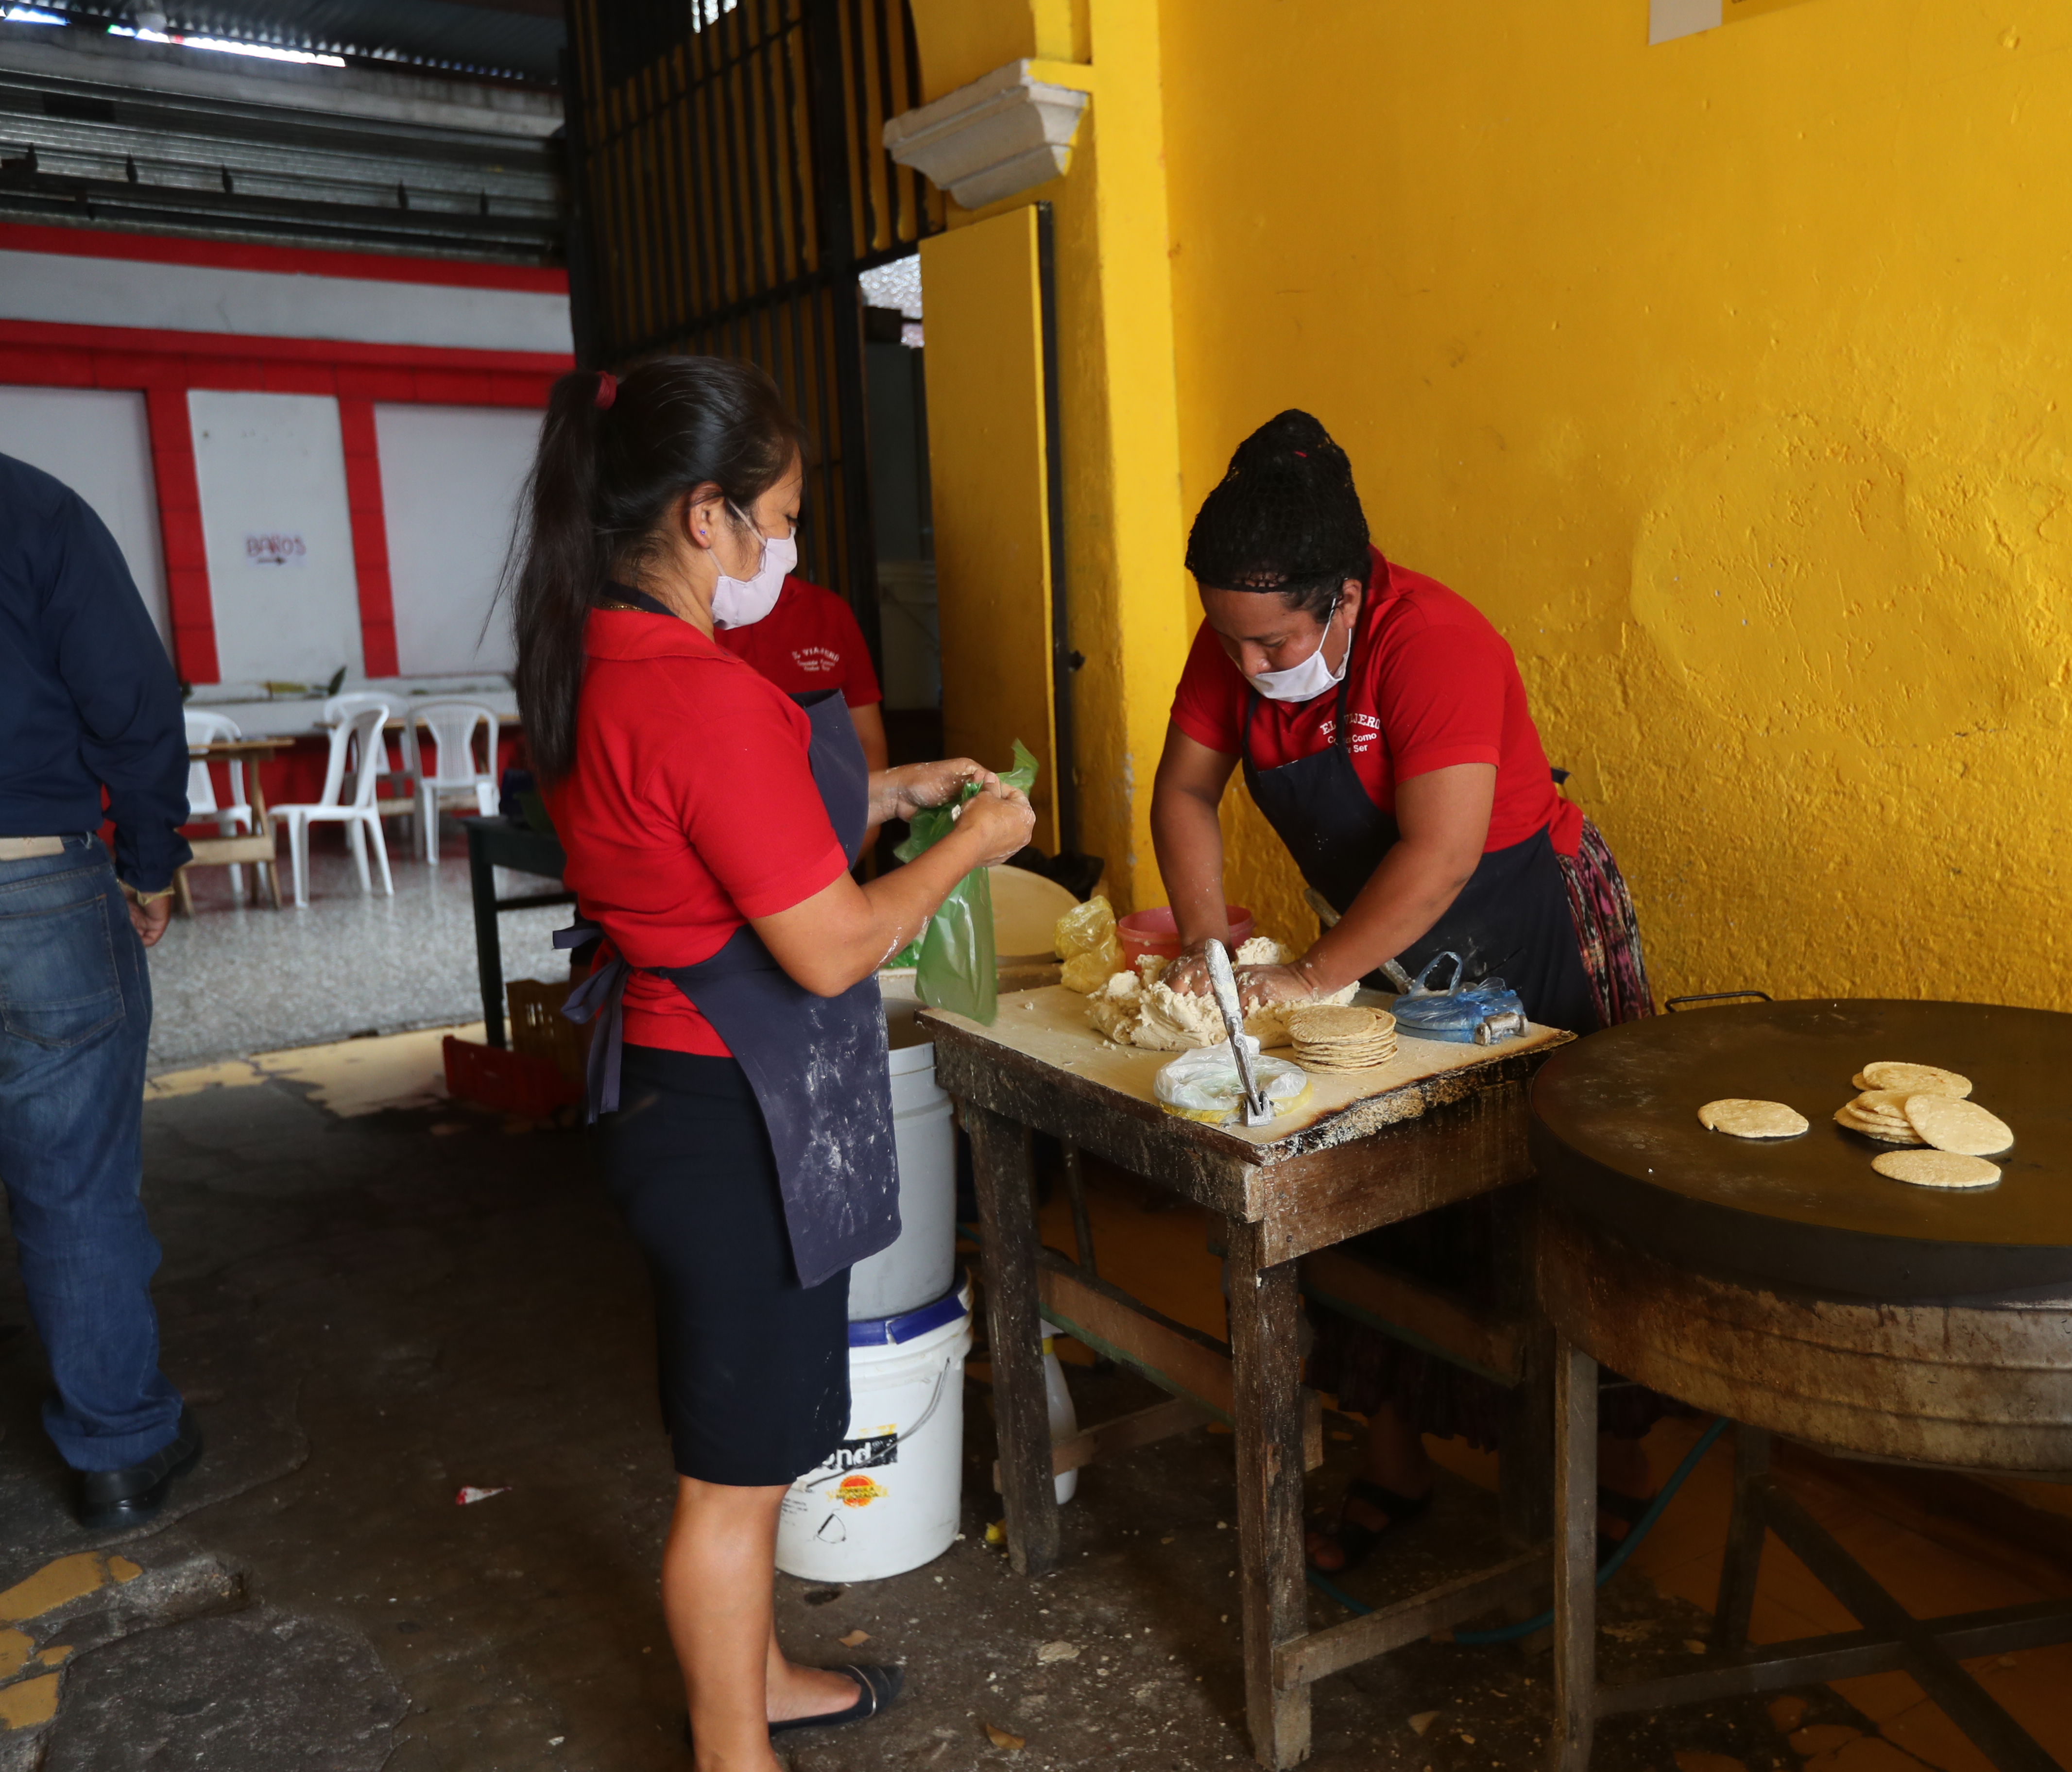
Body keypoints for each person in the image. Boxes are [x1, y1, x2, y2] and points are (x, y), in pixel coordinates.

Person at [507, 357, 1034, 1771]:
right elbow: (831, 945)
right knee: (732, 1483)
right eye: (780, 518)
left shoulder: (590, 656)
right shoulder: (706, 695)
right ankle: (732, 1751)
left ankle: (769, 1682)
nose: (785, 551)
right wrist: (976, 846)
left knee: (757, 1436)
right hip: (735, 1113)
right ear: (703, 517)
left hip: (674, 1098)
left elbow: (719, 832)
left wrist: (898, 789)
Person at [1147, 410, 1660, 1574]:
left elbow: (1437, 855)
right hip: (1379, 953)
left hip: (1524, 932)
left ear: (1344, 596)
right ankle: (1393, 1464)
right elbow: (1183, 794)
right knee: (1373, 1199)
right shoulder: (1236, 638)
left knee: (1558, 1210)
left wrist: (1314, 973)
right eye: (1229, 644)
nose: (1250, 668)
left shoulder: (1433, 643)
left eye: (1275, 645)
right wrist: (1206, 940)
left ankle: (1604, 1474)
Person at [0, 450, 200, 1530]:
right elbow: (130, 695)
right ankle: (120, 1454)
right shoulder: (33, 510)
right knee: (73, 1187)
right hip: (29, 876)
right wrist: (149, 855)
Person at [712, 574, 890, 862]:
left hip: (831, 836)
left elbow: (868, 740)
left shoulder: (827, 611)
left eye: (791, 524)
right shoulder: (688, 617)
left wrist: (860, 833)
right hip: (727, 843)